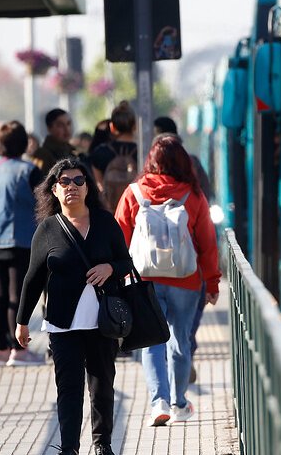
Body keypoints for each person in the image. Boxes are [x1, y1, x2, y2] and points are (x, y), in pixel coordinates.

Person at [15, 158, 131, 455]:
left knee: (102, 386)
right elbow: (33, 277)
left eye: (79, 181)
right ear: (54, 190)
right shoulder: (47, 230)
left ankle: (102, 443)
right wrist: (22, 321)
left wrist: (109, 268)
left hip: (103, 322)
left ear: (88, 187)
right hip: (62, 325)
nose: (72, 187)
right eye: (64, 182)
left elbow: (126, 263)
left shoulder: (105, 222)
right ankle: (69, 448)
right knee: (69, 390)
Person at [114, 134, 221, 426]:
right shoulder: (193, 195)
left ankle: (157, 401)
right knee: (180, 341)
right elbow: (207, 243)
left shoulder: (134, 192)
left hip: (144, 277)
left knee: (152, 342)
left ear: (151, 161)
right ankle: (179, 402)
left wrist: (120, 275)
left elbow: (119, 236)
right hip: (185, 280)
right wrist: (212, 283)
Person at [151, 116, 213, 383]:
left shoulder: (139, 188)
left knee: (154, 336)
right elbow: (207, 236)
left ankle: (160, 398)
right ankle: (179, 386)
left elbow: (124, 232)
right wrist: (213, 281)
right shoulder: (195, 182)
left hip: (150, 269)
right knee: (183, 330)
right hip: (190, 268)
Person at [0, 121, 45, 366]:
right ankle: (19, 351)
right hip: (19, 238)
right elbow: (40, 204)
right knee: (17, 295)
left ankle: (0, 349)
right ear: (23, 143)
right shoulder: (28, 170)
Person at [91, 101, 138, 211]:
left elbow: (99, 185)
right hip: (135, 211)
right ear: (135, 126)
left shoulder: (100, 152)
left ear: (112, 127)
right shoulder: (143, 153)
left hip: (110, 212)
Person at [34, 108, 77, 176]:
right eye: (60, 125)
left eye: (68, 124)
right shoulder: (42, 154)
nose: (67, 129)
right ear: (49, 128)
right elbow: (39, 181)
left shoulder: (73, 151)